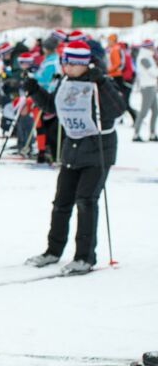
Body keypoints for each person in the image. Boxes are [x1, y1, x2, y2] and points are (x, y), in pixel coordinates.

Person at [22, 41, 126, 275]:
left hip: (98, 149)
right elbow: (53, 106)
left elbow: (118, 109)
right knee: (61, 202)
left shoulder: (99, 82)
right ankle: (53, 250)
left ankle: (84, 257)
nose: (66, 67)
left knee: (86, 201)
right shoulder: (65, 82)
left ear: (82, 64)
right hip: (72, 149)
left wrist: (102, 83)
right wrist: (35, 91)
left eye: (71, 63)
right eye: (64, 62)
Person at [132, 39, 157, 142]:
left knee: (156, 111)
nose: (153, 48)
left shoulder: (147, 57)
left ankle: (152, 133)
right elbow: (153, 72)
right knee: (144, 112)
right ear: (147, 47)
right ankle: (136, 134)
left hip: (151, 86)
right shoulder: (144, 58)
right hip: (147, 87)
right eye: (151, 46)